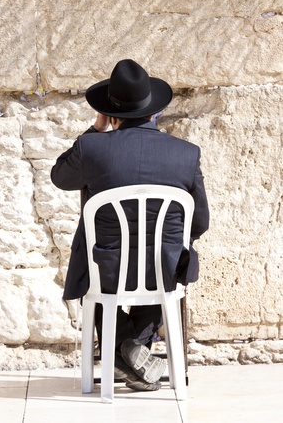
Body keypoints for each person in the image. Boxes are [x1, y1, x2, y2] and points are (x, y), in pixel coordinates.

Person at [51, 59, 209, 392]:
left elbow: (61, 177)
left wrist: (96, 130)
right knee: (168, 261)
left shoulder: (92, 148)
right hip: (163, 270)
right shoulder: (187, 154)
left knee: (90, 267)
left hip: (105, 269)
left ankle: (124, 348)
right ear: (154, 112)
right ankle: (133, 349)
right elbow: (201, 222)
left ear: (111, 115)